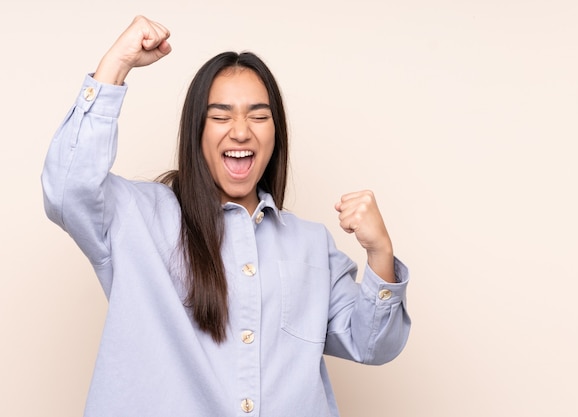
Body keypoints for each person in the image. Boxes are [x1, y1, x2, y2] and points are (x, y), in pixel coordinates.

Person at [42, 15, 410, 417]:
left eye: (258, 115)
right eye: (220, 116)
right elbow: (67, 189)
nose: (240, 131)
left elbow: (373, 344)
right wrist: (117, 63)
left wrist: (380, 254)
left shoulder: (310, 244)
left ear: (276, 133)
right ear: (196, 132)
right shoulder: (138, 218)